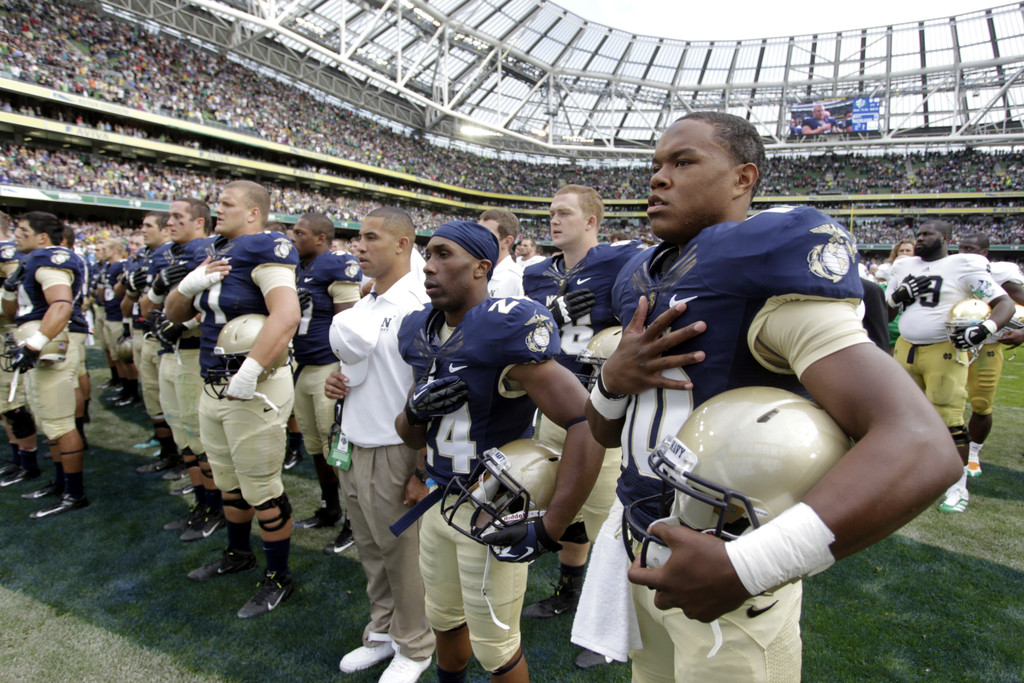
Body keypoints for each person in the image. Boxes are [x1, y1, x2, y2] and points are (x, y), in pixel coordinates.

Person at [582, 112, 962, 681]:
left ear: (743, 178)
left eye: (683, 162)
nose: (658, 178)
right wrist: (613, 380)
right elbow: (608, 432)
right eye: (655, 165)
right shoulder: (642, 272)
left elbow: (921, 445)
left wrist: (746, 566)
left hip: (727, 564)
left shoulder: (760, 262)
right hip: (642, 546)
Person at [395, 220, 605, 683]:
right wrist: (413, 413)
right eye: (427, 255)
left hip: (492, 506)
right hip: (437, 501)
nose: (429, 267)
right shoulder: (420, 329)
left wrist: (552, 526)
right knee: (444, 621)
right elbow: (411, 436)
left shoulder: (503, 327)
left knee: (496, 647)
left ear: (480, 267)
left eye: (444, 255)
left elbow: (585, 422)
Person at [519, 185, 644, 669]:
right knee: (565, 509)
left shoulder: (621, 261)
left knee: (611, 521)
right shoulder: (536, 273)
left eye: (564, 213)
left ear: (592, 220)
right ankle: (569, 592)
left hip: (602, 414)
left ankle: (612, 626)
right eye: (550, 212)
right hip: (553, 409)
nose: (554, 220)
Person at [165, 180, 300, 618]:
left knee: (262, 486)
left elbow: (287, 313)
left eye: (226, 203)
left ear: (254, 213)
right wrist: (187, 287)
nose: (217, 210)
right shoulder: (219, 252)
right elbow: (173, 315)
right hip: (212, 381)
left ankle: (279, 577)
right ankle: (238, 553)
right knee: (227, 480)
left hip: (253, 383)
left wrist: (251, 368)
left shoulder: (267, 246)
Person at [324, 206, 435, 682]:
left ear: (402, 244)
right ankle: (383, 631)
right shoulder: (367, 302)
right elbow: (365, 370)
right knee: (371, 549)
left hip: (395, 447)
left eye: (370, 237)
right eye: (358, 237)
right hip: (354, 440)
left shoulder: (419, 305)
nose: (359, 246)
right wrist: (338, 382)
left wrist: (423, 466)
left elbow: (431, 388)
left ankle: (415, 646)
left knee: (404, 555)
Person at [887, 220, 1014, 513]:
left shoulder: (962, 265)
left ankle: (958, 488)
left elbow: (1004, 303)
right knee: (902, 416)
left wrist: (985, 328)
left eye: (926, 234)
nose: (919, 239)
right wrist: (896, 296)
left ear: (944, 238)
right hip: (905, 348)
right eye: (917, 234)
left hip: (943, 350)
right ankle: (909, 474)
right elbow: (886, 311)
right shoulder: (903, 267)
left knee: (949, 420)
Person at [145, 198, 225, 542]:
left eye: (178, 217)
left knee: (201, 438)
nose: (169, 223)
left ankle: (216, 508)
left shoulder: (205, 251)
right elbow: (148, 304)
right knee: (184, 434)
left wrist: (185, 323)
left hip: (193, 354)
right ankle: (202, 504)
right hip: (170, 351)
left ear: (199, 223)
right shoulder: (175, 254)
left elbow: (213, 304)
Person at [1, 212, 89, 517]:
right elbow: (13, 314)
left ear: (42, 237)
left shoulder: (49, 259)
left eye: (23, 230)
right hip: (35, 344)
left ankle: (74, 493)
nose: (16, 234)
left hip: (48, 347)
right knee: (49, 421)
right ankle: (60, 481)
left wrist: (35, 343)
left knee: (61, 422)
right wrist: (10, 288)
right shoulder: (29, 261)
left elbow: (62, 304)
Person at [289, 212, 361, 555]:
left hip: (328, 367)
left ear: (321, 238)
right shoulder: (298, 266)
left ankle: (352, 521)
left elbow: (348, 324)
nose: (292, 236)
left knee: (337, 450)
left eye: (300, 232)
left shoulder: (336, 263)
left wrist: (344, 371)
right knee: (315, 446)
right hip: (303, 366)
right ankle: (330, 507)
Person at [956, 233, 1024, 476]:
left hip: (988, 346)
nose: (964, 252)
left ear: (984, 252)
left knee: (982, 404)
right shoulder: (951, 268)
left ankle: (973, 453)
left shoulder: (1000, 272)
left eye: (971, 248)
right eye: (961, 247)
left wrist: (1023, 333)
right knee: (942, 400)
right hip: (953, 345)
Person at [0, 212, 39, 488]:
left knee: (13, 401)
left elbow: (19, 295)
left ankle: (28, 462)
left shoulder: (7, 253)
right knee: (4, 403)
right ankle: (18, 458)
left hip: (8, 332)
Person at [477, 209, 524, 299]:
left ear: (507, 242)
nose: (477, 239)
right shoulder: (472, 270)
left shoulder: (517, 279)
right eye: (476, 232)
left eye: (485, 234)